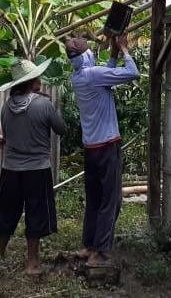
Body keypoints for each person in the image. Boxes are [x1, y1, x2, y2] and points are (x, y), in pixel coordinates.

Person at [65, 34, 139, 267]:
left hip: (91, 149)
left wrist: (113, 55)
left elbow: (105, 77)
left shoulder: (78, 77)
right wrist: (125, 50)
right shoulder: (94, 75)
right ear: (87, 55)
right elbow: (133, 73)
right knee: (111, 200)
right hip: (107, 146)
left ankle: (88, 246)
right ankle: (99, 252)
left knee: (95, 199)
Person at [0, 59, 65, 276]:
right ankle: (32, 263)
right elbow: (61, 129)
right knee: (36, 214)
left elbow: (6, 137)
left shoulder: (6, 106)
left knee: (6, 212)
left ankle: (0, 255)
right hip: (37, 169)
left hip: (10, 169)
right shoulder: (43, 105)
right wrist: (50, 107)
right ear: (32, 81)